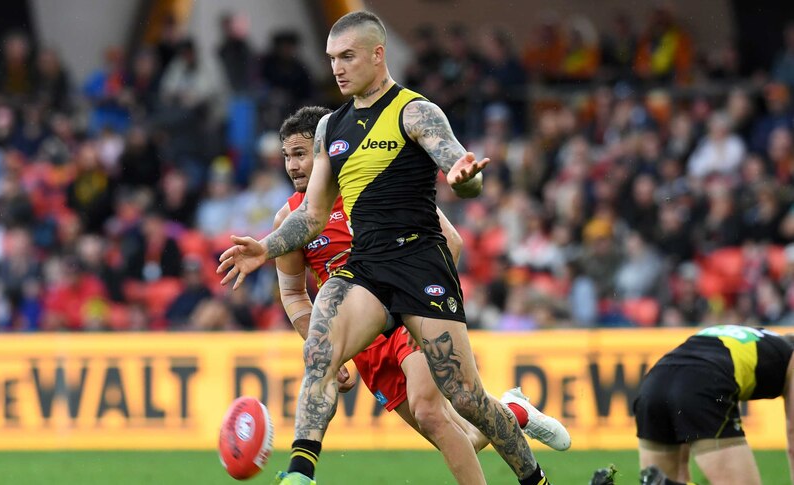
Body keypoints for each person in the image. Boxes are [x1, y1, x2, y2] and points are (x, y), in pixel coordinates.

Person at [219, 11, 552, 485]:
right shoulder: (328, 128)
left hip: (420, 262)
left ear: (378, 54)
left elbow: (459, 165)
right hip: (367, 268)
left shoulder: (415, 111)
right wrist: (266, 249)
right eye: (332, 58)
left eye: (348, 56)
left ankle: (533, 478)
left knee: (466, 399)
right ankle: (300, 473)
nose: (337, 68)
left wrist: (467, 181)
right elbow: (311, 216)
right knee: (319, 349)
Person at [274, 106, 570, 483]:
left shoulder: (373, 186)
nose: (293, 166)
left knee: (431, 412)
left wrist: (423, 309)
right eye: (287, 156)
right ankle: (513, 412)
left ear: (325, 150)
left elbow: (452, 242)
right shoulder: (289, 220)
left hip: (406, 309)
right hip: (361, 339)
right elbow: (294, 294)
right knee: (456, 435)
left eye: (301, 153)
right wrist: (328, 348)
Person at [632, 325, 794, 485]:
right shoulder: (789, 355)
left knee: (667, 477)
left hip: (654, 383)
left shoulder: (759, 337)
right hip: (703, 383)